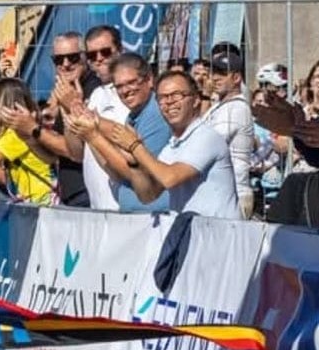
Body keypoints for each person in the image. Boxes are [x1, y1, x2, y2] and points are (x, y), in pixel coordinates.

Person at [108, 71, 241, 219]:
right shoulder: (170, 147)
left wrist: (135, 146)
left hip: (221, 237)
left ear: (196, 100)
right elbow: (148, 196)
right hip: (193, 236)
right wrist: (134, 164)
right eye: (162, 98)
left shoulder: (207, 137)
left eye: (177, 95)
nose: (169, 102)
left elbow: (170, 178)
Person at [2, 32, 100, 207]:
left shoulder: (93, 91)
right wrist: (28, 136)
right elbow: (52, 157)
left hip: (87, 192)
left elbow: (74, 151)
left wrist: (34, 129)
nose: (66, 64)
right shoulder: (65, 91)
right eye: (58, 60)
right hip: (68, 191)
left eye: (73, 58)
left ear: (85, 57)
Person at [65, 53, 170, 212]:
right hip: (135, 218)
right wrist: (90, 135)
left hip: (153, 219)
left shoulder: (157, 113)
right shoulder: (133, 116)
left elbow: (133, 172)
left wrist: (93, 136)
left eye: (131, 83)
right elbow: (114, 172)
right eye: (119, 86)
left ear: (149, 80)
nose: (126, 91)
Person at [59, 25, 129, 209]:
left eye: (105, 52)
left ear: (120, 51)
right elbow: (77, 153)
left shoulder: (130, 94)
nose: (99, 59)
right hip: (97, 207)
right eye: (92, 55)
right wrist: (70, 110)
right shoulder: (97, 94)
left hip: (125, 203)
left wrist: (91, 121)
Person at [202, 51, 254, 218]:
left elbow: (207, 143)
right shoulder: (220, 105)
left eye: (222, 73)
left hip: (234, 193)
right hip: (220, 192)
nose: (215, 78)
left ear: (236, 78)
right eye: (214, 72)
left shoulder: (237, 108)